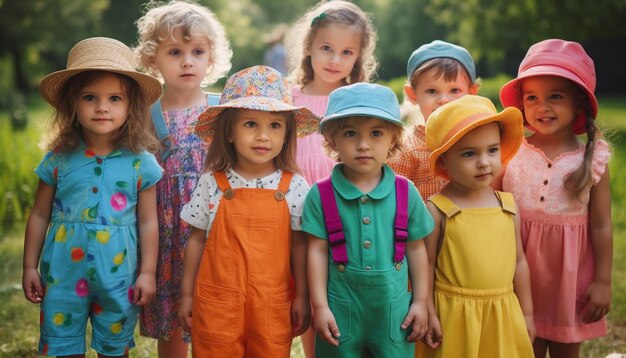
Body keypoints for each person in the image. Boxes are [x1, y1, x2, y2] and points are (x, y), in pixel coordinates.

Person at [22, 37, 163, 357]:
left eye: (115, 98)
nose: (102, 107)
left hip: (118, 274)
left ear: (131, 106)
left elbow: (148, 221)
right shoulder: (58, 159)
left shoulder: (141, 162)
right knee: (61, 343)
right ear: (73, 103)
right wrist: (30, 266)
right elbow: (40, 214)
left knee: (114, 347)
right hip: (61, 274)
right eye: (90, 97)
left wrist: (147, 272)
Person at [177, 65, 318, 357]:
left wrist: (303, 295)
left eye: (275, 126)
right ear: (228, 132)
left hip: (271, 304)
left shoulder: (294, 187)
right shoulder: (212, 183)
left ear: (287, 134)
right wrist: (187, 294)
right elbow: (196, 240)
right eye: (251, 124)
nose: (263, 136)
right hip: (217, 302)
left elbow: (300, 245)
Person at [302, 83, 434, 357]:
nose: (363, 144)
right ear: (333, 140)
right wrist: (320, 306)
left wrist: (420, 300)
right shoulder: (321, 193)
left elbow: (416, 248)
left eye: (376, 133)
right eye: (351, 134)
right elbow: (315, 250)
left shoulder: (405, 191)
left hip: (394, 311)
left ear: (394, 139)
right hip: (340, 308)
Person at [500, 39, 612, 358]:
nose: (542, 107)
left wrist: (603, 280)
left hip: (569, 277)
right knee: (524, 346)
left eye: (555, 97)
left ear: (579, 103)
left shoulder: (593, 157)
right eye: (532, 98)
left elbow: (602, 225)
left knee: (565, 349)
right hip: (518, 269)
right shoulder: (510, 149)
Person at [133, 1, 232, 357]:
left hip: (217, 231)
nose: (187, 61)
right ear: (152, 58)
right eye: (175, 51)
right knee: (173, 321)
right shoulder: (146, 116)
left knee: (217, 320)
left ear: (211, 57)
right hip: (167, 232)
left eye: (197, 51)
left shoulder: (225, 110)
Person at [419, 95, 535, 357]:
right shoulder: (438, 209)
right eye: (469, 153)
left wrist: (526, 313)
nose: (484, 162)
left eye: (492, 150)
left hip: (501, 313)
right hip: (453, 316)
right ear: (444, 161)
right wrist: (428, 310)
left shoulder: (507, 205)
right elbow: (424, 264)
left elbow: (519, 262)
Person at [286, 0, 378, 185]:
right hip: (293, 196)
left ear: (358, 56)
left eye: (346, 52)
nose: (335, 60)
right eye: (326, 48)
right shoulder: (289, 99)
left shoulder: (359, 102)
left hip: (342, 196)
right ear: (308, 46)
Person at [388, 40, 479, 200]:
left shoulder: (481, 140)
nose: (444, 99)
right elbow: (395, 202)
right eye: (432, 91)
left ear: (472, 92)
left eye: (454, 90)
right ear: (412, 94)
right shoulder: (406, 151)